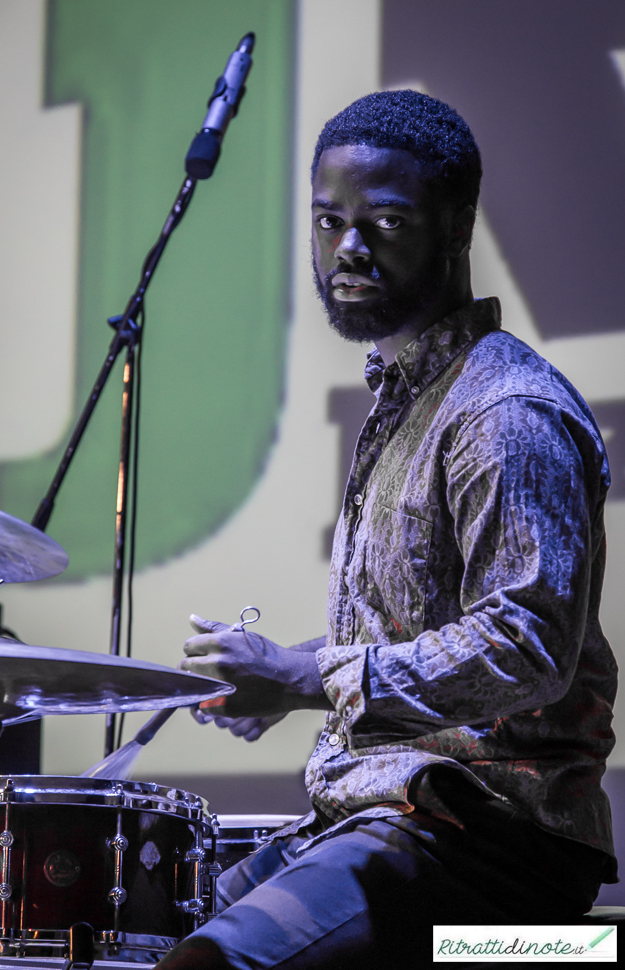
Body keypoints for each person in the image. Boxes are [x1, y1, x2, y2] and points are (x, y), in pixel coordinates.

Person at [159, 91, 618, 969]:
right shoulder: (411, 393)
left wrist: (304, 677)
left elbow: (524, 649)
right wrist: (286, 676)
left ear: (456, 227)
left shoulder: (502, 411)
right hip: (391, 811)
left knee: (205, 969)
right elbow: (427, 629)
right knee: (155, 934)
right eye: (328, 221)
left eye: (385, 222)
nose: (348, 249)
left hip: (492, 836)